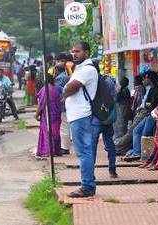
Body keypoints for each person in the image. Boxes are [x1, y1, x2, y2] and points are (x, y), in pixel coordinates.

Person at [63, 42, 98, 198]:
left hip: (81, 115)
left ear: (87, 52)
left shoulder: (87, 70)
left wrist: (64, 91)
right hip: (77, 115)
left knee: (84, 152)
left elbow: (72, 87)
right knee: (84, 152)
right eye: (73, 52)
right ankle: (89, 183)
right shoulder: (80, 68)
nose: (74, 54)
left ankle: (87, 186)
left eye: (77, 51)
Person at [114, 70, 158, 155]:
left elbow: (151, 104)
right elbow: (147, 103)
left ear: (148, 78)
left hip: (148, 114)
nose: (143, 81)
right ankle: (133, 151)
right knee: (136, 131)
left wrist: (145, 106)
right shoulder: (150, 89)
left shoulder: (153, 90)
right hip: (145, 113)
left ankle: (131, 151)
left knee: (136, 132)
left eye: (144, 79)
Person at [34, 75, 62, 158]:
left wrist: (36, 115)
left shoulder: (45, 89)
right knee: (56, 132)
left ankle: (49, 150)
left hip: (48, 113)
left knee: (48, 132)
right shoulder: (57, 88)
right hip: (57, 113)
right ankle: (57, 150)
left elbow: (41, 103)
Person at [54, 61, 71, 155]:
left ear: (56, 70)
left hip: (62, 105)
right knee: (66, 126)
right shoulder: (67, 77)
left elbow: (59, 92)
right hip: (67, 103)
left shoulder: (59, 79)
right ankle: (65, 146)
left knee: (64, 126)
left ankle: (64, 147)